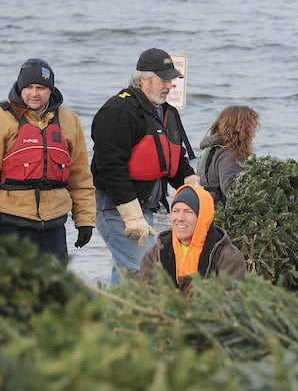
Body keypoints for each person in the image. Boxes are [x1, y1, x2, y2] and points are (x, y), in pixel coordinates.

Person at [91, 48, 200, 285]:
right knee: (155, 271)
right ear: (144, 79)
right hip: (116, 210)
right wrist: (131, 217)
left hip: (147, 209)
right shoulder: (118, 112)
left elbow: (174, 157)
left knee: (128, 276)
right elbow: (110, 168)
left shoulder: (165, 111)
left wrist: (191, 184)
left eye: (171, 80)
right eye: (164, 79)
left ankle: (117, 319)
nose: (169, 85)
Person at [0, 58, 95, 260]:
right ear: (20, 87)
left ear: (51, 90)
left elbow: (80, 178)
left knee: (53, 288)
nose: (34, 93)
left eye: (41, 87)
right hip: (9, 223)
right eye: (29, 87)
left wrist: (85, 220)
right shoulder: (3, 119)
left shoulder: (70, 120)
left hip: (54, 225)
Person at [140, 184, 246, 293]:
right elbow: (145, 298)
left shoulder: (227, 257)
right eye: (175, 211)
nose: (180, 218)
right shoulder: (156, 253)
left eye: (188, 212)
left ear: (203, 217)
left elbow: (233, 303)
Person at [198, 105, 260, 203]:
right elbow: (232, 191)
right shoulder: (228, 155)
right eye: (251, 130)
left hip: (211, 206)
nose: (254, 135)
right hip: (223, 211)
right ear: (240, 130)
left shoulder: (216, 149)